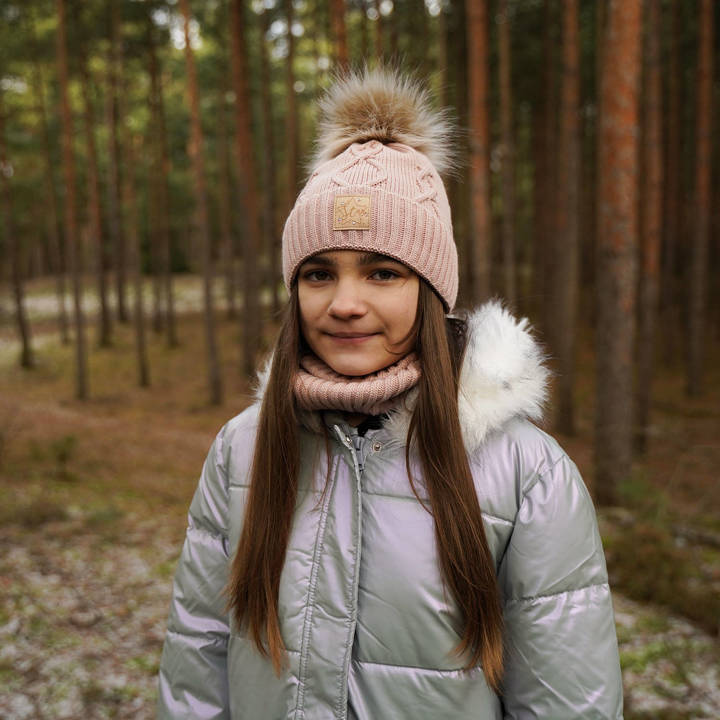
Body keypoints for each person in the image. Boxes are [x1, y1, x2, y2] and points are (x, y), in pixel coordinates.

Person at [157, 66, 623, 719]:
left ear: (430, 293)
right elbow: (197, 664)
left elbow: (568, 702)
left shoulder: (525, 474)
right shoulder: (243, 449)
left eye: (382, 272)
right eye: (319, 273)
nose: (345, 303)